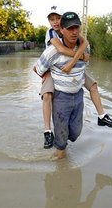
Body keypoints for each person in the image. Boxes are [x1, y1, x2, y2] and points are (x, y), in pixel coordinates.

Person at [39, 6, 112, 150]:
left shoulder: (73, 32)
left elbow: (85, 44)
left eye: (58, 18)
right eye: (52, 19)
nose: (55, 22)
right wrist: (78, 57)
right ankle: (47, 131)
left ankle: (102, 116)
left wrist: (74, 61)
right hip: (52, 69)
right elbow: (62, 50)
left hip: (75, 68)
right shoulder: (51, 33)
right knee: (47, 95)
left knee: (93, 85)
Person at [34, 11, 87, 159]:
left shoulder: (83, 45)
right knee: (47, 96)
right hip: (57, 84)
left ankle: (102, 115)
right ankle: (52, 140)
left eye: (77, 27)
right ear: (62, 30)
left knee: (75, 133)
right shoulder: (52, 42)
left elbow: (85, 47)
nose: (74, 31)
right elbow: (38, 67)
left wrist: (79, 57)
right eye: (70, 28)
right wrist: (49, 76)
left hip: (77, 91)